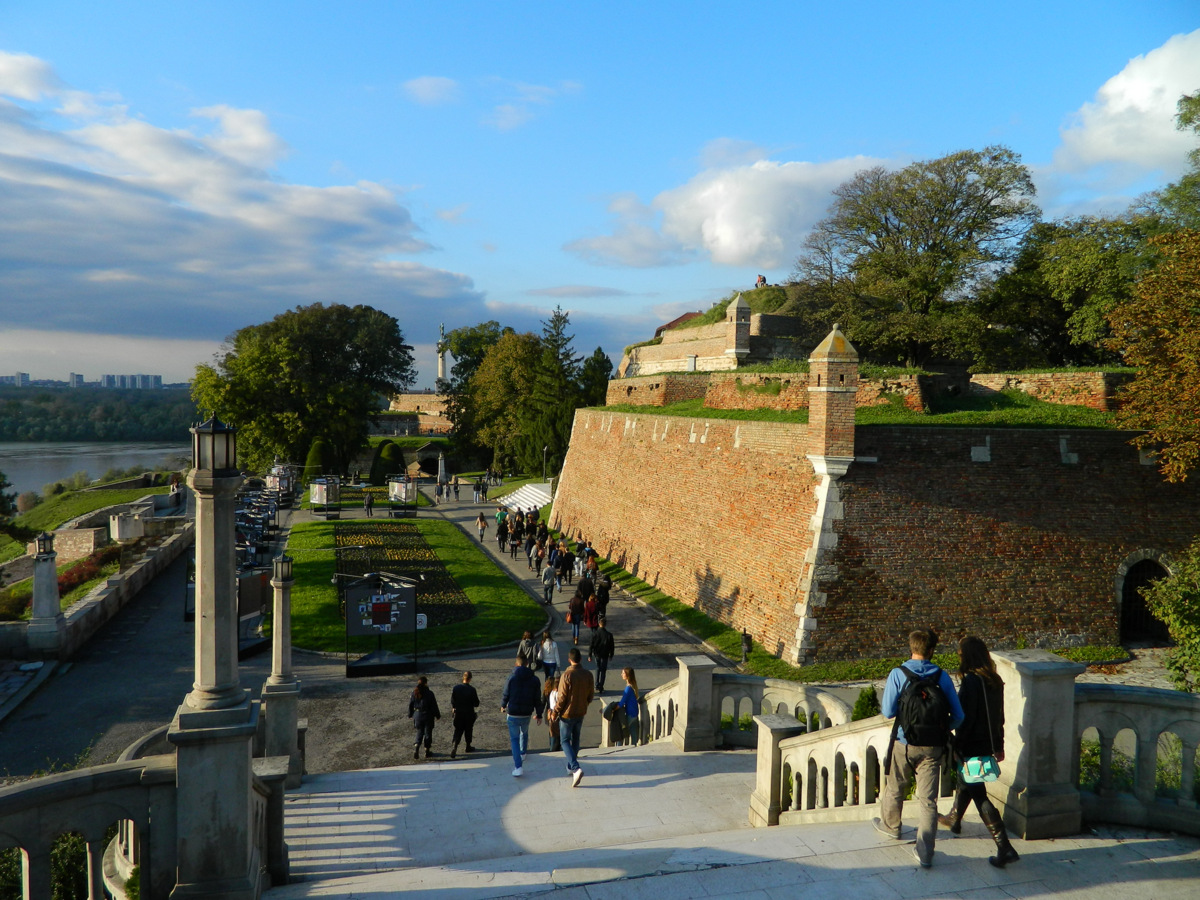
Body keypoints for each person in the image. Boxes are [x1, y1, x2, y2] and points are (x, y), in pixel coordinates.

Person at [873, 629, 964, 868]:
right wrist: (942, 730)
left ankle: (891, 827)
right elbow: (958, 715)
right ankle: (925, 853)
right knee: (928, 800)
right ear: (931, 650)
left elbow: (888, 712)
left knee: (895, 786)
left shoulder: (897, 674)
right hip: (933, 747)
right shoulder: (942, 677)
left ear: (911, 647)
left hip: (904, 742)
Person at [938, 636, 1020, 868]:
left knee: (980, 795)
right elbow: (999, 718)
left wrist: (957, 746)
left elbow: (965, 719)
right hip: (986, 744)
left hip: (971, 744)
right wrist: (999, 745)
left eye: (960, 653)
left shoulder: (972, 682)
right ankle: (954, 818)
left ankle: (1005, 847)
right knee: (968, 780)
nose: (959, 656)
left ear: (967, 657)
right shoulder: (994, 680)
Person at [551, 647, 594, 787]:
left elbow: (562, 698)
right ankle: (571, 766)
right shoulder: (588, 675)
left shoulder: (567, 675)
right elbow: (590, 695)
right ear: (580, 659)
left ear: (569, 660)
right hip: (581, 712)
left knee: (564, 740)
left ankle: (575, 767)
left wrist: (555, 712)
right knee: (576, 739)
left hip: (567, 714)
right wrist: (584, 705)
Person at [500, 654, 544, 777]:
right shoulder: (534, 679)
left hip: (513, 712)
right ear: (527, 664)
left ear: (517, 664)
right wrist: (539, 714)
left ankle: (518, 766)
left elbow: (506, 693)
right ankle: (523, 752)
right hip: (526, 713)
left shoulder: (512, 678)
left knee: (514, 738)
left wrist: (503, 705)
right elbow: (537, 699)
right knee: (524, 732)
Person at [407, 675, 441, 760]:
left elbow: (411, 704)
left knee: (419, 731)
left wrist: (410, 714)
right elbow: (434, 705)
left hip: (417, 715)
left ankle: (417, 745)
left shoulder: (414, 692)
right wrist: (437, 715)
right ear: (426, 683)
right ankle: (427, 750)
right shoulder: (429, 693)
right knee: (428, 733)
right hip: (428, 715)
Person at [450, 670, 480, 759]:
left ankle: (455, 744)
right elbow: (476, 703)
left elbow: (453, 701)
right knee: (468, 730)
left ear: (463, 677)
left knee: (458, 730)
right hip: (469, 713)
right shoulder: (472, 690)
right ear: (470, 679)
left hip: (458, 713)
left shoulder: (456, 688)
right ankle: (468, 746)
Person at [589, 615, 615, 692]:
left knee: (597, 668)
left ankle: (596, 684)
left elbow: (591, 644)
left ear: (599, 624)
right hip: (605, 654)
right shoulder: (609, 635)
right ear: (605, 624)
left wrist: (590, 654)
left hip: (597, 653)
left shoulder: (595, 633)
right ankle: (601, 685)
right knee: (603, 670)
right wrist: (611, 654)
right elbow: (612, 646)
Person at [619, 667, 640, 746]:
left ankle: (618, 749)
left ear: (627, 675)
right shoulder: (633, 686)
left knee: (621, 732)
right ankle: (634, 748)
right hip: (635, 713)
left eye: (623, 673)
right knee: (633, 734)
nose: (621, 674)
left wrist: (612, 709)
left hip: (630, 713)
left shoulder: (628, 688)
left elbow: (621, 703)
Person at [544, 674, 561, 751]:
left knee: (552, 733)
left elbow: (542, 703)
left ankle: (552, 747)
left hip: (549, 714)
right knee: (557, 736)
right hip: (555, 715)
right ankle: (553, 749)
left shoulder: (547, 692)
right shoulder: (555, 693)